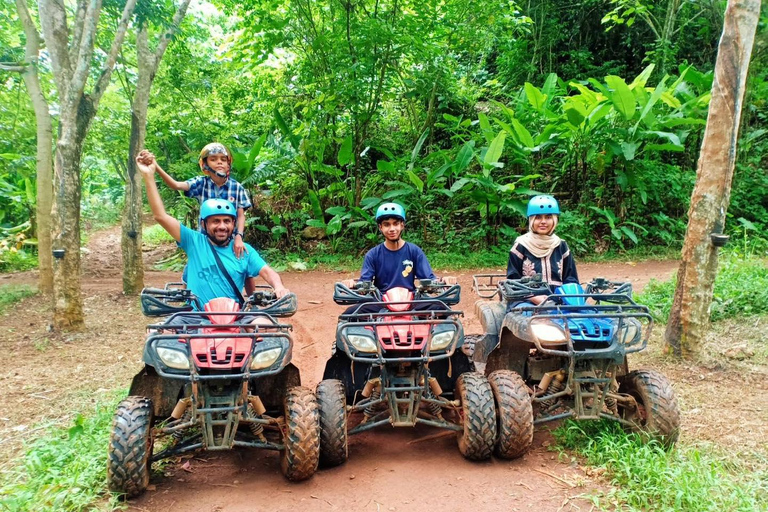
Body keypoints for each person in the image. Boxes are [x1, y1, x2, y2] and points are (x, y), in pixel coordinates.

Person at [136, 152, 289, 319]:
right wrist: (149, 176)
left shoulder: (244, 250)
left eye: (227, 221)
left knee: (268, 331)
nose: (222, 226)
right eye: (215, 221)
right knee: (161, 337)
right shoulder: (193, 241)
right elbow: (161, 216)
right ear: (204, 224)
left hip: (235, 319)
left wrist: (278, 286)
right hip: (194, 318)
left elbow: (269, 272)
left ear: (233, 223)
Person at [138, 143, 252, 259]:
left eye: (223, 159)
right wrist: (155, 167)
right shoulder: (201, 183)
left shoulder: (237, 187)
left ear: (229, 164)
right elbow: (176, 185)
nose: (219, 162)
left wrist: (239, 236)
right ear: (205, 165)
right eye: (213, 159)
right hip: (204, 241)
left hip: (230, 241)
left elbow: (241, 216)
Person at [342, 202, 443, 316]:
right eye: (387, 225)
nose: (392, 229)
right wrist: (352, 284)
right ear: (380, 227)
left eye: (395, 224)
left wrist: (445, 280)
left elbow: (429, 280)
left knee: (443, 309)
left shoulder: (414, 251)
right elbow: (364, 283)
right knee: (348, 315)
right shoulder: (373, 255)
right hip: (381, 301)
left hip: (411, 301)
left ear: (402, 225)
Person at [506, 195, 579, 305]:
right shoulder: (521, 245)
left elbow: (571, 279)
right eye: (538, 217)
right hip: (525, 300)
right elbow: (512, 281)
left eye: (548, 217)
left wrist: (568, 299)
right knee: (530, 318)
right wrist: (533, 297)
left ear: (555, 220)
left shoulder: (561, 245)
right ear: (531, 220)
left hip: (559, 299)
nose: (543, 221)